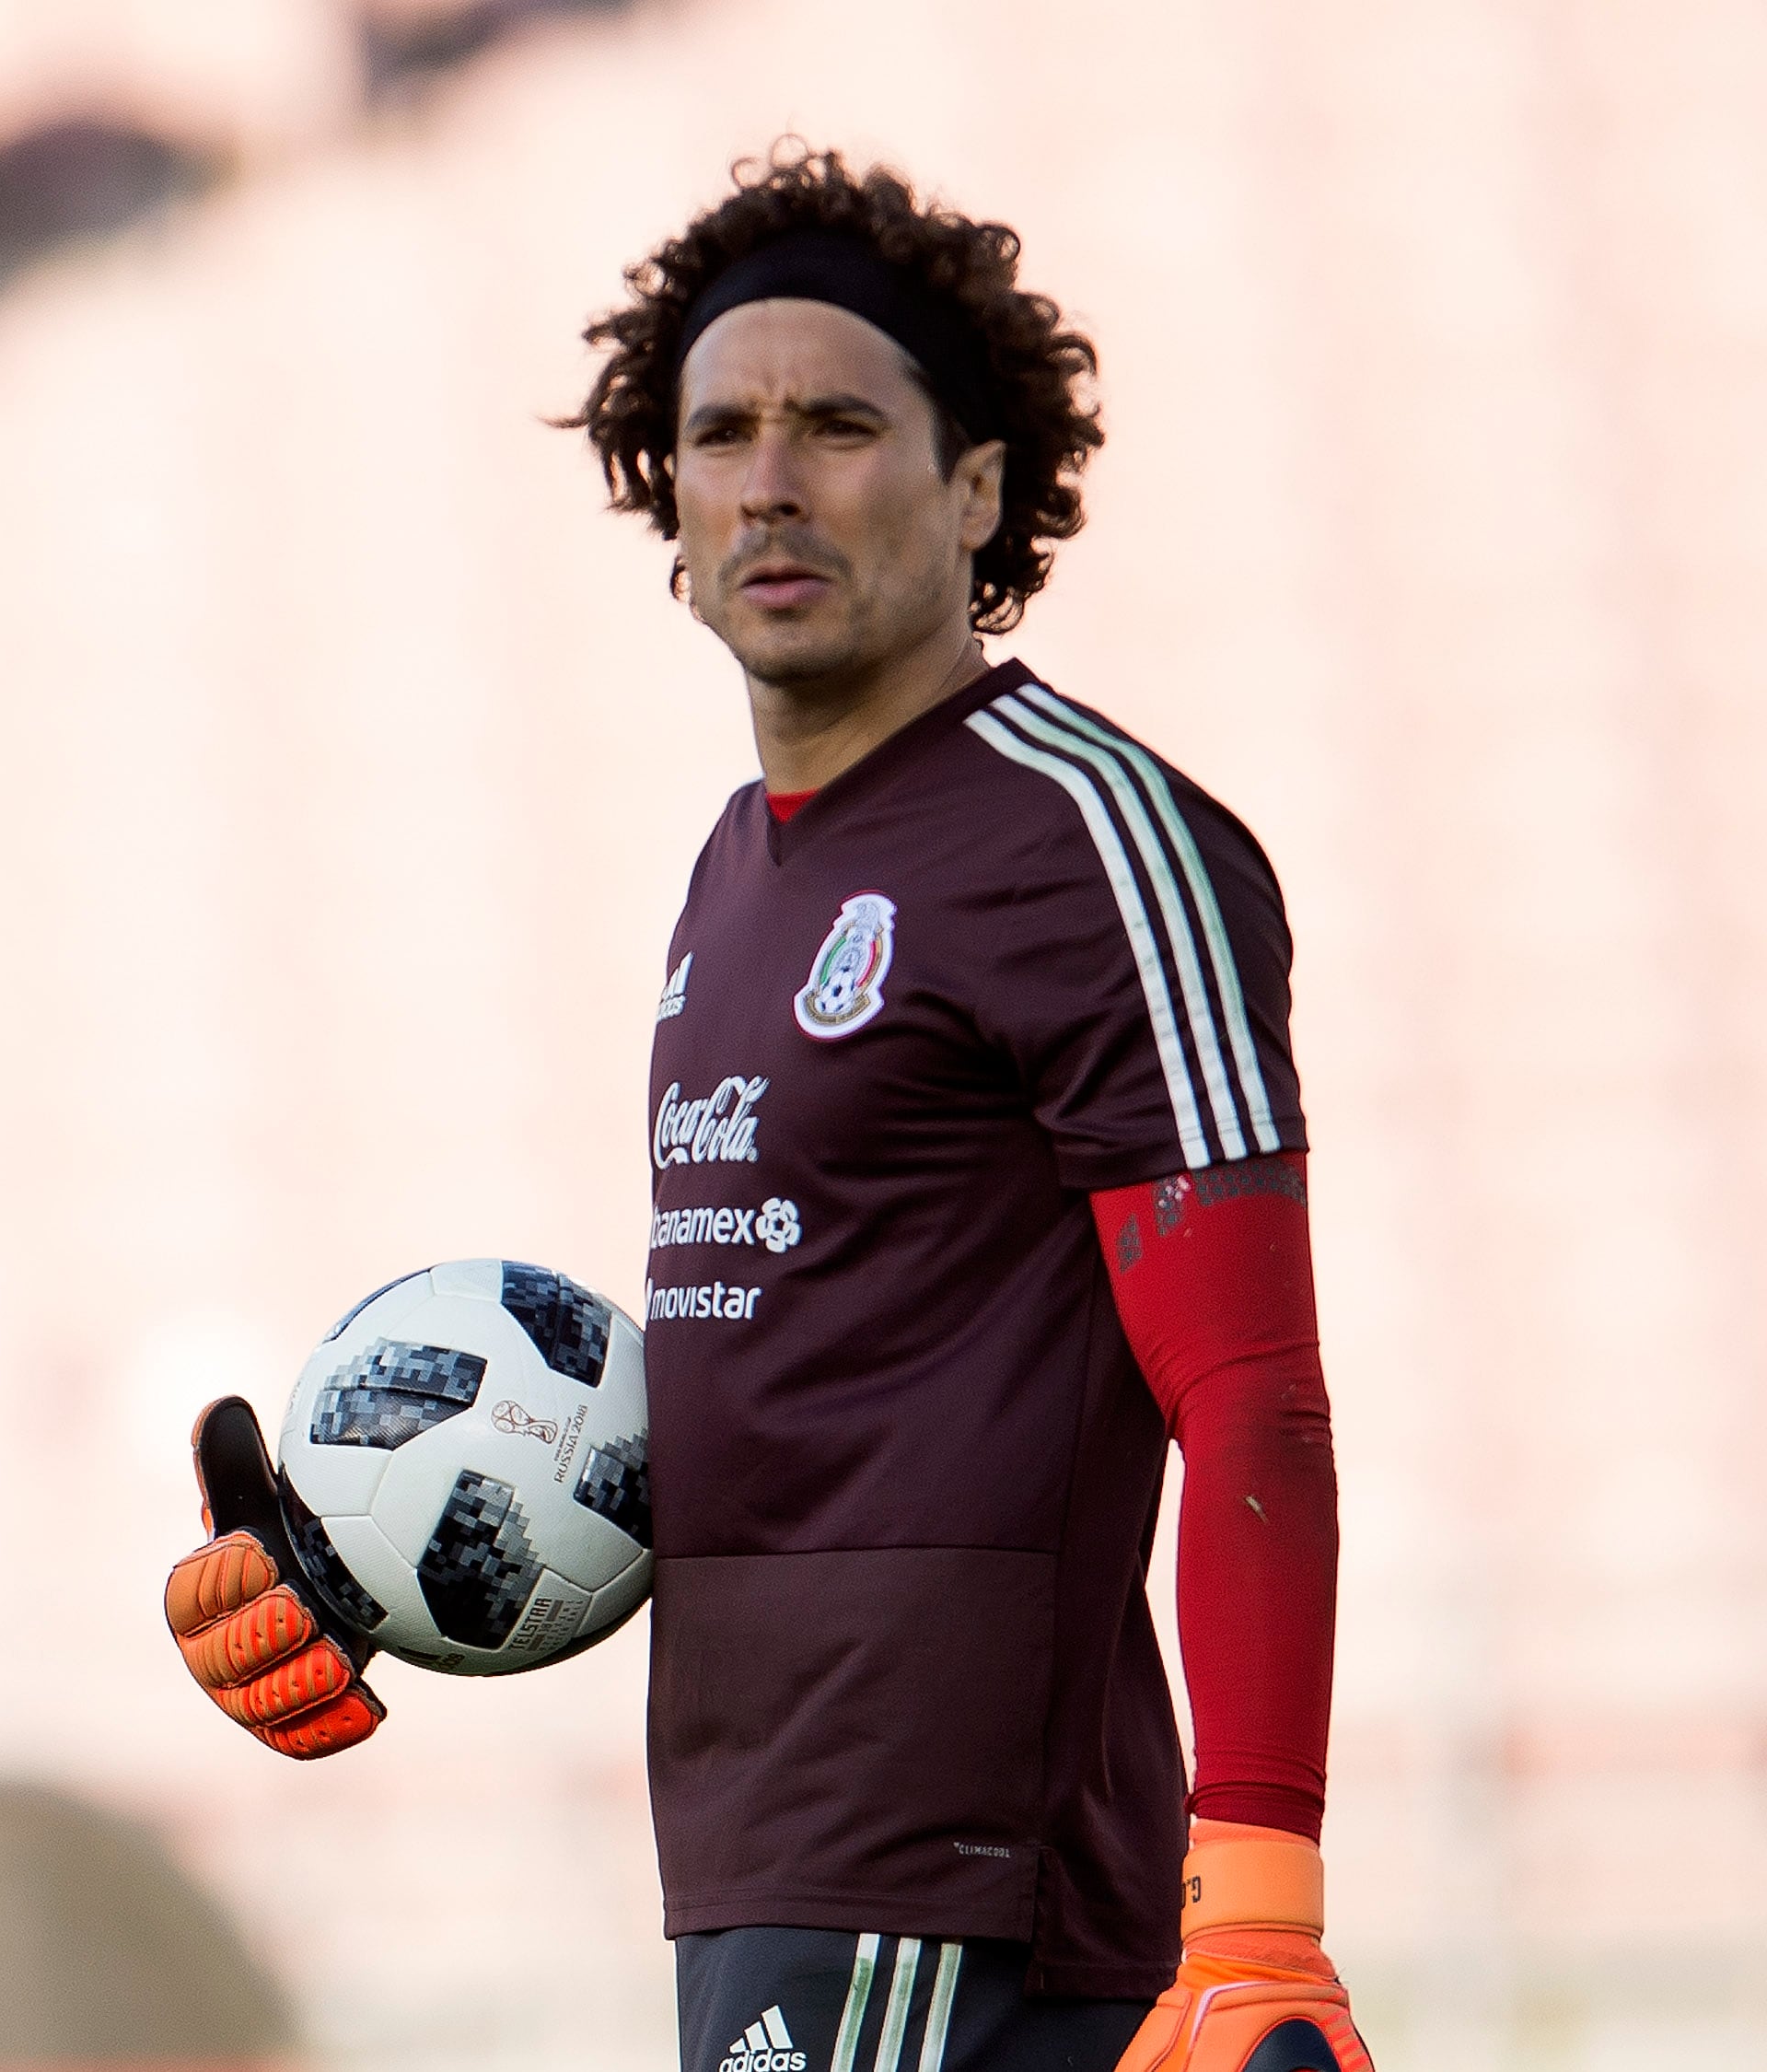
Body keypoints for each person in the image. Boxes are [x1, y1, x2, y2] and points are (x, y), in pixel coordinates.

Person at [162, 148, 1369, 2072]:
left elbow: (1249, 1389)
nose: (768, 478)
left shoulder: (1084, 839)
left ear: (976, 485)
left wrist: (1261, 1909)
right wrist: (382, 1561)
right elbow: (803, 1389)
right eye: (717, 432)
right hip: (757, 1848)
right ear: (668, 509)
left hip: (957, 1887)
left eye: (835, 423)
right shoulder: (737, 865)